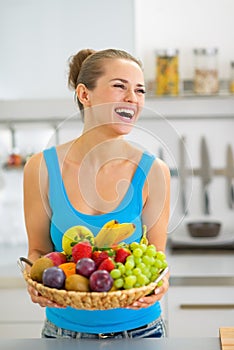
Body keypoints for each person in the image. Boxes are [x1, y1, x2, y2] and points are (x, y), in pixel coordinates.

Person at [23, 48, 170, 339]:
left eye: (140, 90)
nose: (133, 98)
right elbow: (37, 251)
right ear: (84, 94)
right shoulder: (41, 168)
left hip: (141, 332)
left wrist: (162, 283)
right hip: (64, 334)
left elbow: (157, 259)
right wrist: (33, 280)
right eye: (119, 86)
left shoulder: (154, 172)